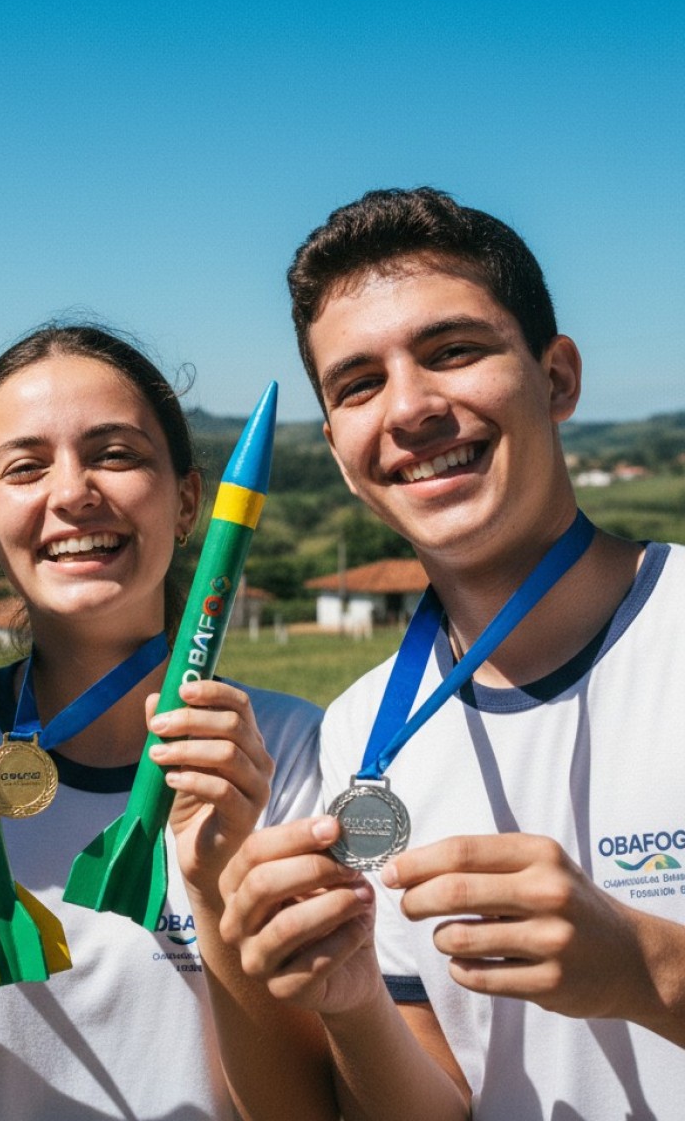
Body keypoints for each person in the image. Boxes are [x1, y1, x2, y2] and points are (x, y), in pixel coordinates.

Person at [219, 187, 685, 1119]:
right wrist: (354, 1007)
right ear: (341, 452)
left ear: (557, 378)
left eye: (454, 351)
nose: (411, 407)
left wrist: (648, 969)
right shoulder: (359, 734)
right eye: (359, 384)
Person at [0, 323, 334, 1121]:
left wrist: (213, 889)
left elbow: (303, 1111)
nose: (72, 493)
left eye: (116, 454)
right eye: (25, 467)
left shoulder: (285, 750)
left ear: (188, 500)